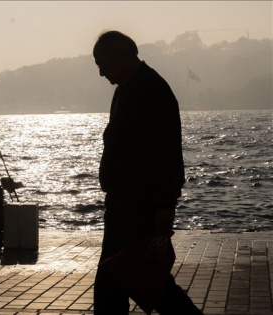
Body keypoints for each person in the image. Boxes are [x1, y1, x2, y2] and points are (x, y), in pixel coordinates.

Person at [91, 31, 203, 314]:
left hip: (140, 206)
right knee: (128, 279)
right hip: (122, 203)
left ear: (122, 56)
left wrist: (166, 204)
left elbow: (167, 153)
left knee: (135, 280)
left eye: (102, 63)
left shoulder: (152, 91)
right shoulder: (125, 91)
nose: (101, 72)